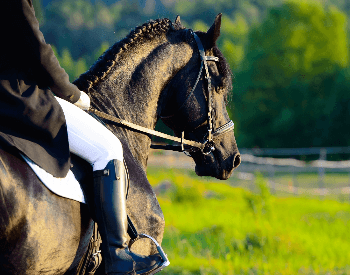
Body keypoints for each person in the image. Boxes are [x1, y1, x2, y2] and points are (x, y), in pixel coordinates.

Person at [0, 0, 164, 274]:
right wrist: (71, 93)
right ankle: (118, 253)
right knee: (109, 147)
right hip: (15, 96)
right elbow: (37, 52)